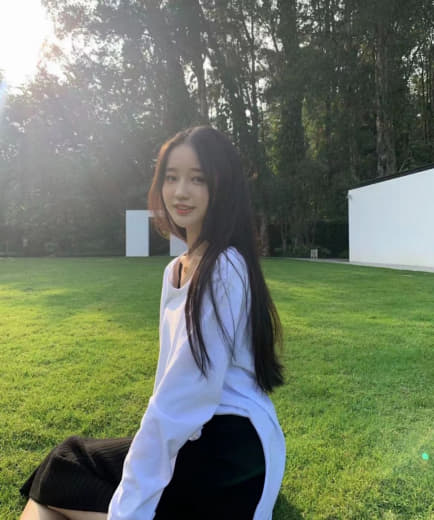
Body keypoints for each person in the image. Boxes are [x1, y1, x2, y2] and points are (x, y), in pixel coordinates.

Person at [19, 126, 286, 520]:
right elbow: (169, 384)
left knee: (64, 468)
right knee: (66, 464)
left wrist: (130, 509)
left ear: (222, 187)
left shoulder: (224, 267)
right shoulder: (176, 269)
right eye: (171, 177)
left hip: (230, 451)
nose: (180, 192)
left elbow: (183, 399)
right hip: (196, 436)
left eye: (198, 179)